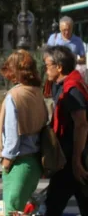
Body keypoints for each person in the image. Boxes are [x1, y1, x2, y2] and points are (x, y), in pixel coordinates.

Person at [0, 50, 48, 214]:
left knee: (11, 211)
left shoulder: (15, 96)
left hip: (19, 162)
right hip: (34, 162)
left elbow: (12, 132)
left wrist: (7, 161)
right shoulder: (36, 93)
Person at [43, 45, 88, 215]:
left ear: (59, 67)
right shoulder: (63, 85)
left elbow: (82, 124)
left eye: (47, 65)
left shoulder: (73, 89)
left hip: (74, 159)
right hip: (68, 157)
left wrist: (77, 160)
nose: (46, 70)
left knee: (53, 206)